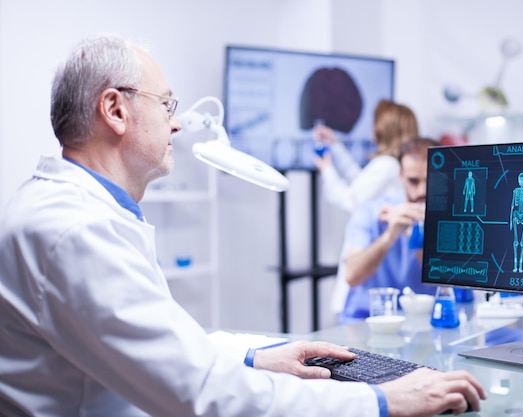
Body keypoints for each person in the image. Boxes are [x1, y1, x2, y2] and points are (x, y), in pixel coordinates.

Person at [0, 34, 486, 416]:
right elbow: (201, 393)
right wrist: (384, 401)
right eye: (166, 104)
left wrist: (259, 355)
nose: (176, 124)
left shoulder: (79, 212)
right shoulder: (73, 231)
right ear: (115, 109)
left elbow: (166, 348)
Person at [338, 137, 439, 323]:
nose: (421, 191)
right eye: (413, 181)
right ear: (401, 175)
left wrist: (418, 236)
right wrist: (390, 235)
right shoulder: (370, 212)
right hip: (365, 321)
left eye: (430, 180)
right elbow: (352, 276)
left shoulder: (451, 221)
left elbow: (447, 288)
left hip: (422, 324)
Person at [313, 99, 419, 213]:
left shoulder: (387, 164)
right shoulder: (395, 164)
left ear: (382, 130)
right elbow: (360, 180)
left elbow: (350, 201)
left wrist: (326, 169)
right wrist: (334, 144)